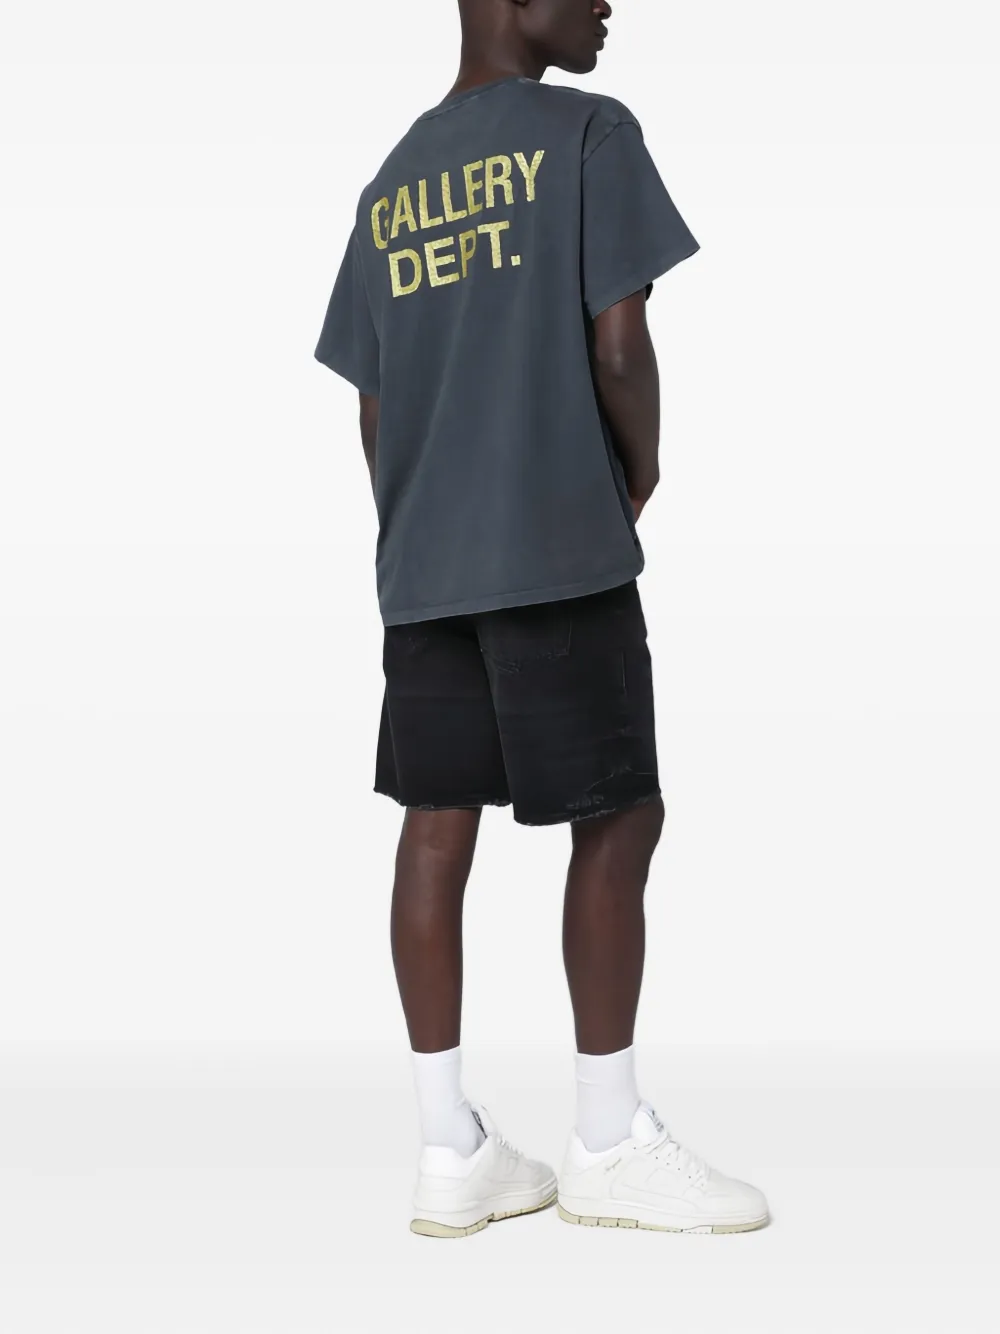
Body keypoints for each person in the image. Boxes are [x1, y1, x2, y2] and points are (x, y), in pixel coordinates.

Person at [315, 0, 769, 1238]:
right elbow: (619, 343)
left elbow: (371, 405)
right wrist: (640, 466)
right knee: (619, 814)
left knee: (434, 827)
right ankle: (608, 1140)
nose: (607, 3)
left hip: (426, 561)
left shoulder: (390, 183)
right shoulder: (586, 135)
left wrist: (422, 518)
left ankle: (447, 1147)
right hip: (554, 540)